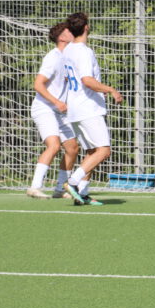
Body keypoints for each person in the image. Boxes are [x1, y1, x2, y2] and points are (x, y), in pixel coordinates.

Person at [62, 12, 123, 207]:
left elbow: (67, 78)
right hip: (88, 108)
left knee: (92, 152)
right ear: (86, 27)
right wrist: (110, 89)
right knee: (103, 151)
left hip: (75, 108)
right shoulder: (84, 51)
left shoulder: (68, 50)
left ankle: (82, 193)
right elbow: (87, 80)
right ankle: (72, 182)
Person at [28, 22, 80, 199]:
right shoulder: (53, 57)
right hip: (45, 108)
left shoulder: (70, 58)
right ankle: (35, 187)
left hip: (60, 111)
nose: (73, 33)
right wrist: (56, 101)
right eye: (69, 31)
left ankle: (61, 189)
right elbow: (38, 84)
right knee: (54, 145)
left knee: (72, 148)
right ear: (62, 37)